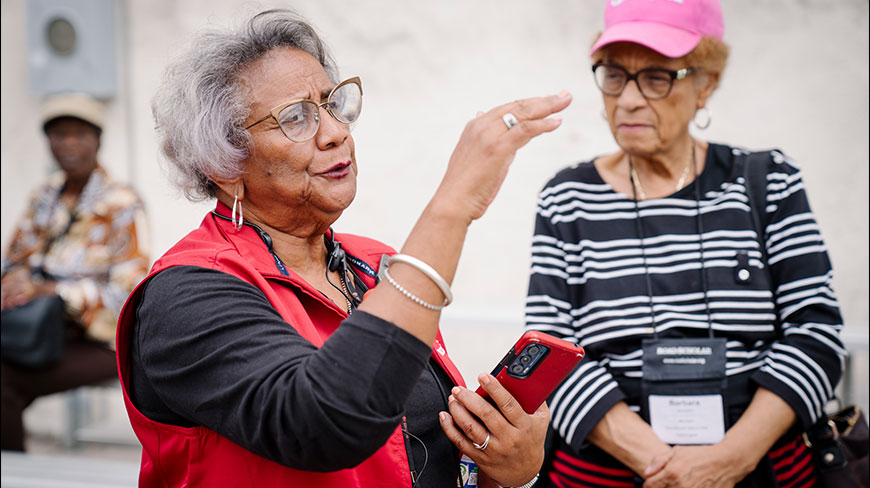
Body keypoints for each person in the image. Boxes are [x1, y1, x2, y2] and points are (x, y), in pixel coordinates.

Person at [116, 9, 571, 488]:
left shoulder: (373, 265)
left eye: (332, 104)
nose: (336, 132)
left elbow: (423, 453)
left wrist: (507, 472)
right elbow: (322, 424)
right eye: (295, 118)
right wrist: (452, 206)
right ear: (223, 162)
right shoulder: (185, 294)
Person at [524, 1, 846, 487]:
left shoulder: (767, 182)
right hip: (606, 474)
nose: (629, 99)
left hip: (760, 471)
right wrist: (667, 469)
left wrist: (729, 461)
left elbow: (814, 334)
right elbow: (551, 352)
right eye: (615, 74)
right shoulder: (568, 197)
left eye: (657, 76)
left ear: (705, 84)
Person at [1, 93, 151, 451]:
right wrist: (14, 284)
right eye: (58, 134)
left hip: (100, 341)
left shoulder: (122, 203)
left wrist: (56, 292)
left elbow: (128, 292)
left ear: (97, 140)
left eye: (79, 134)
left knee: (3, 384)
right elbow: (14, 261)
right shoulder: (44, 196)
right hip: (39, 332)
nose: (68, 144)